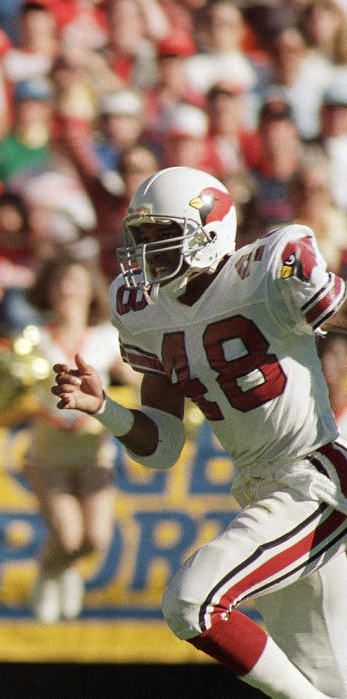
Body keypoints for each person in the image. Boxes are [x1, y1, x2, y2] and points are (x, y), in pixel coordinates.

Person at [51, 165, 347, 698]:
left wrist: (323, 292)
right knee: (329, 680)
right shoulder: (145, 312)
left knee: (194, 602)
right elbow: (162, 448)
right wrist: (103, 408)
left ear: (209, 234)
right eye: (138, 239)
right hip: (262, 489)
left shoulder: (263, 272)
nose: (144, 255)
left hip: (315, 480)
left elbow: (336, 312)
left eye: (159, 237)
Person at [24, 258, 138, 624]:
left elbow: (136, 378)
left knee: (96, 539)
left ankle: (65, 569)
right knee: (69, 536)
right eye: (60, 282)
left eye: (75, 281)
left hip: (94, 453)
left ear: (90, 289)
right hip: (48, 453)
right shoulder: (35, 337)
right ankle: (49, 572)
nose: (67, 290)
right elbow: (11, 380)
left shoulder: (105, 338)